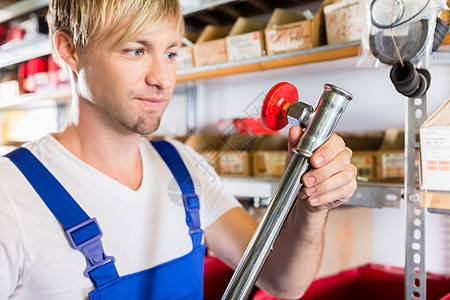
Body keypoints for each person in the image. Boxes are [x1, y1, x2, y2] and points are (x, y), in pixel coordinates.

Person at [0, 0, 357, 299]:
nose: (163, 79)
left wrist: (312, 207)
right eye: (136, 50)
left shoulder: (183, 166)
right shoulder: (11, 196)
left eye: (171, 53)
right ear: (69, 50)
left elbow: (284, 281)